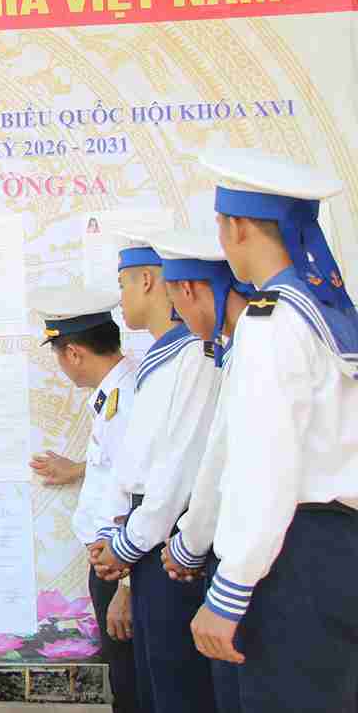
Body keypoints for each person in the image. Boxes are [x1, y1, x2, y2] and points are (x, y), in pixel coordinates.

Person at [175, 148, 358, 713]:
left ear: (235, 227)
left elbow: (264, 466)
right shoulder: (325, 310)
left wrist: (230, 591)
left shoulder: (270, 323)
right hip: (337, 544)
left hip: (292, 555)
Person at [91, 234, 238, 713]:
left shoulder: (194, 356)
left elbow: (177, 472)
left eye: (123, 283)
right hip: (148, 536)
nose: (120, 297)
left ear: (148, 281)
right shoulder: (162, 359)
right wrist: (118, 536)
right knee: (155, 687)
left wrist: (126, 546)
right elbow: (139, 465)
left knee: (179, 689)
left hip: (171, 541)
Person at [142, 229, 251, 713]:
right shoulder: (250, 342)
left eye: (175, 302)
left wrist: (188, 544)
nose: (179, 318)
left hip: (249, 553)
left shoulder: (251, 348)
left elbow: (220, 462)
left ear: (186, 289)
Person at [30, 286, 138, 713]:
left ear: (73, 353)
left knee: (133, 686)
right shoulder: (117, 390)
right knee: (127, 680)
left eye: (59, 356)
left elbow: (144, 491)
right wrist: (78, 469)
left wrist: (127, 588)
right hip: (113, 560)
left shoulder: (127, 398)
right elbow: (118, 467)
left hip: (122, 564)